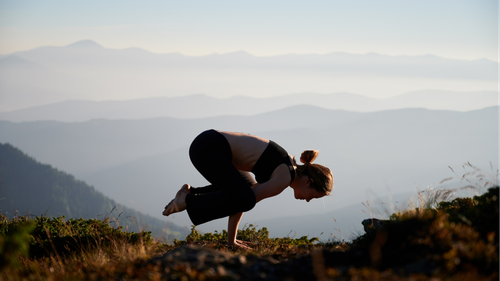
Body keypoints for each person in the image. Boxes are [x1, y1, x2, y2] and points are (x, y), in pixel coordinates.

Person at [163, 129, 334, 249]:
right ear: (308, 182)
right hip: (209, 149)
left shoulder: (288, 167)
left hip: (208, 143)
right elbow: (242, 202)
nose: (309, 200)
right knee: (246, 198)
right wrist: (232, 241)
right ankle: (186, 200)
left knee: (244, 191)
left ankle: (191, 193)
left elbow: (239, 198)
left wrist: (232, 241)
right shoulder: (283, 178)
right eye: (313, 196)